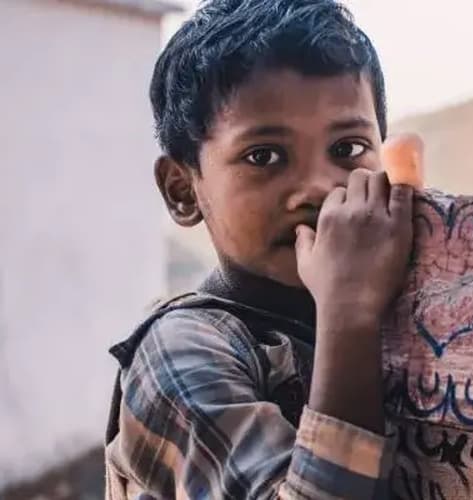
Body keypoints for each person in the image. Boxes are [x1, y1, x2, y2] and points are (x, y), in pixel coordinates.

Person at [103, 0, 415, 498]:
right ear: (183, 190)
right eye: (264, 155)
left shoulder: (406, 311)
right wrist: (349, 314)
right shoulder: (179, 354)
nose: (317, 187)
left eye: (349, 148)